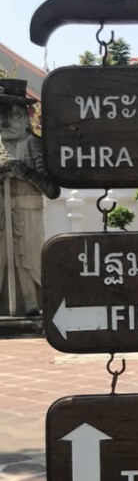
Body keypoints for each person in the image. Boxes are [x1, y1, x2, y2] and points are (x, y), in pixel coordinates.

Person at [0, 79, 60, 317]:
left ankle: (31, 302)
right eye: (1, 116)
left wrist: (26, 173)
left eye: (12, 115)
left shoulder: (34, 144)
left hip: (27, 212)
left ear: (25, 117)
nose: (5, 123)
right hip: (2, 212)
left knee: (28, 259)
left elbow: (52, 190)